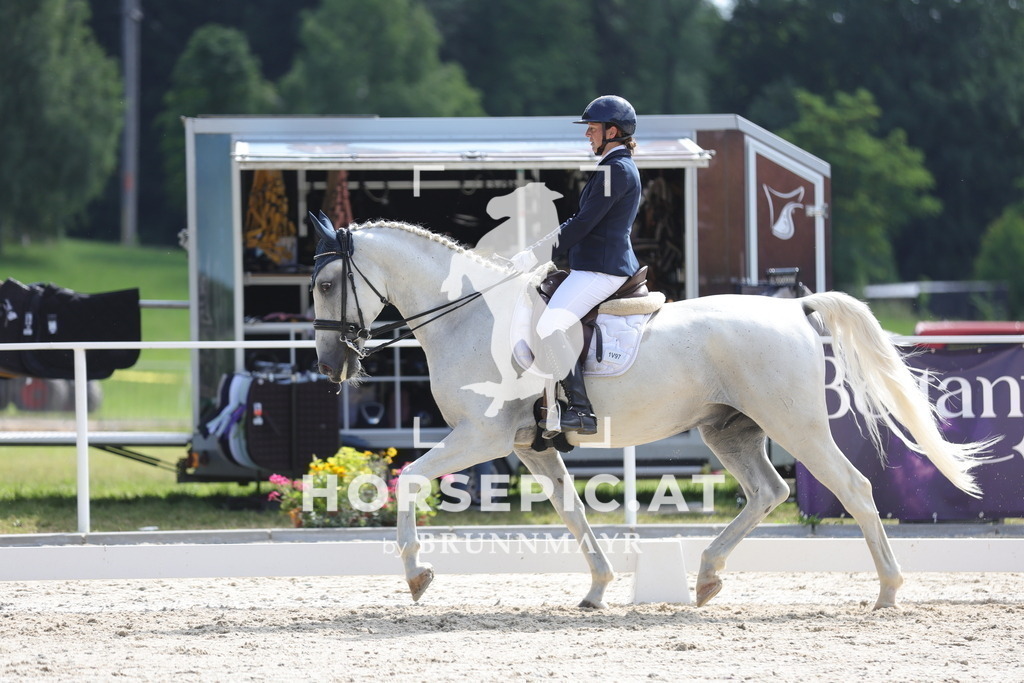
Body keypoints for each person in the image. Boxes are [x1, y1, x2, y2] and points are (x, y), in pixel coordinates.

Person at [534, 95, 643, 435]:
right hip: (595, 264)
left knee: (549, 327)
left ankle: (581, 411)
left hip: (602, 268)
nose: (588, 135)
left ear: (612, 131)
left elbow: (583, 223)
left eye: (593, 129)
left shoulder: (616, 169)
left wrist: (538, 252)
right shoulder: (613, 168)